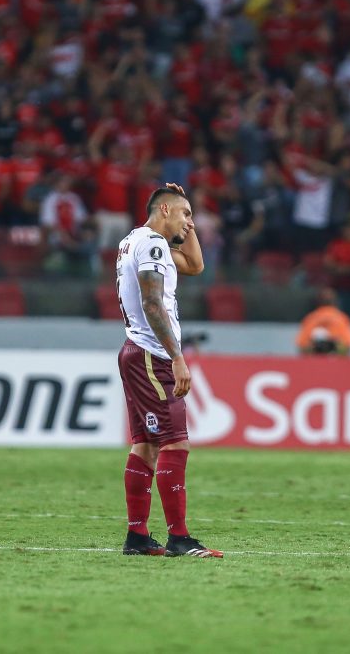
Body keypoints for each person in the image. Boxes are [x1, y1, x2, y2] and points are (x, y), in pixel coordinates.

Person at [116, 182, 222, 559]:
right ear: (164, 210)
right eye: (185, 214)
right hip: (153, 354)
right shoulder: (154, 245)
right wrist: (177, 357)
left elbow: (195, 265)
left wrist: (186, 222)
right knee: (175, 441)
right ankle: (179, 537)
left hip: (135, 350)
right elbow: (152, 302)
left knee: (145, 444)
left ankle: (137, 536)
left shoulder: (134, 241)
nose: (190, 223)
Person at [296, 288, 350, 356]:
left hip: (315, 360)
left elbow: (302, 346)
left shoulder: (310, 318)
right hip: (336, 360)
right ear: (335, 301)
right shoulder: (342, 318)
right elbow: (348, 346)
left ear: (317, 301)